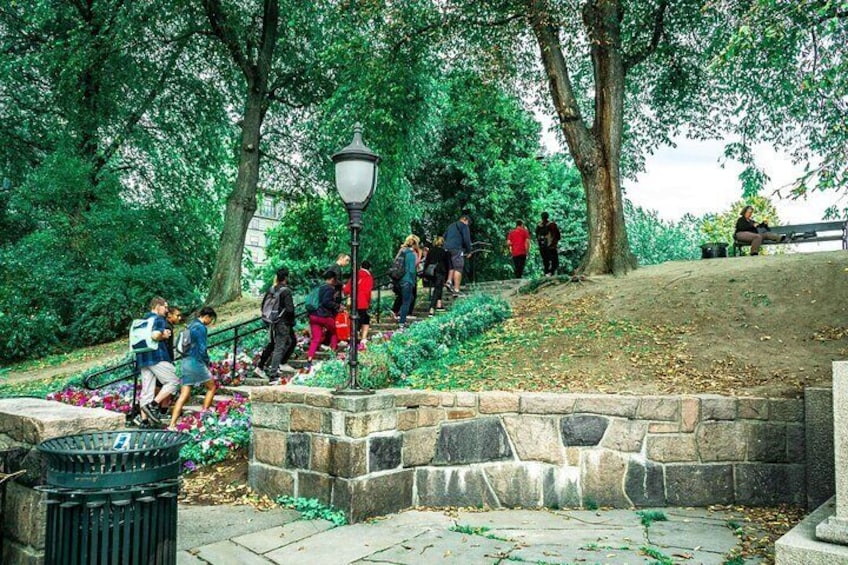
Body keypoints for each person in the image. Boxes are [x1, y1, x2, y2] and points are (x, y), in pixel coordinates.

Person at [168, 307, 217, 430]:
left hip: (185, 361)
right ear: (207, 316)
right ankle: (204, 415)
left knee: (184, 395)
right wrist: (207, 362)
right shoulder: (201, 328)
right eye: (211, 319)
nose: (210, 322)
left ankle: (172, 424)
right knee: (212, 387)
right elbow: (202, 348)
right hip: (196, 361)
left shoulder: (190, 325)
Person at [135, 297, 181, 427]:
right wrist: (164, 335)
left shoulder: (143, 320)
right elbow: (155, 335)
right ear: (157, 306)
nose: (166, 310)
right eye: (165, 307)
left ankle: (144, 422)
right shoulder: (158, 319)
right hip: (157, 356)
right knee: (173, 381)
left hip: (143, 358)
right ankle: (153, 405)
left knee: (147, 390)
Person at [254, 270, 297, 379]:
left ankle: (269, 366)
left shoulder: (271, 289)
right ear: (285, 278)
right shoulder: (286, 291)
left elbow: (263, 305)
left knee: (285, 342)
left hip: (273, 321)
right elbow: (290, 309)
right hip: (283, 322)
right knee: (280, 346)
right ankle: (273, 373)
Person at [306, 272, 340, 364]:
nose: (336, 282)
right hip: (324, 316)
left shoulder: (318, 288)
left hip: (313, 316)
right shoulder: (330, 289)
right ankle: (333, 354)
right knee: (333, 332)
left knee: (316, 338)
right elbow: (326, 302)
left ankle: (309, 359)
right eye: (336, 280)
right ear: (332, 279)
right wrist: (337, 306)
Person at [342, 259, 374, 343]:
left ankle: (353, 336)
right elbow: (368, 292)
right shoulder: (369, 277)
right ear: (369, 268)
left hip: (354, 301)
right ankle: (363, 338)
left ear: (360, 266)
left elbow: (346, 289)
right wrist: (368, 302)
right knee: (365, 318)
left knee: (354, 318)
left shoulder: (355, 276)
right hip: (363, 302)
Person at [443, 214, 472, 294]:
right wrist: (469, 251)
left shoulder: (451, 226)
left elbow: (444, 237)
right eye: (468, 222)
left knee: (451, 266)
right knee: (458, 267)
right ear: (465, 219)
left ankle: (449, 281)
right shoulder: (464, 226)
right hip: (457, 249)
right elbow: (467, 239)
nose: (468, 224)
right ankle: (456, 289)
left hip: (446, 249)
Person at [424, 236, 451, 316]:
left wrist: (425, 275)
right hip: (440, 271)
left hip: (431, 272)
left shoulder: (431, 251)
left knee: (437, 288)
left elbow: (427, 262)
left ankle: (439, 305)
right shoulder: (444, 252)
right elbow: (448, 264)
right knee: (438, 289)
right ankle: (432, 308)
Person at [397, 235, 419, 329]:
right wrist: (414, 280)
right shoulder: (411, 254)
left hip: (400, 279)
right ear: (415, 244)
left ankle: (401, 314)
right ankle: (402, 322)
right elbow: (411, 270)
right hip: (407, 280)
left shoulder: (401, 251)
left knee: (409, 298)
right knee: (407, 301)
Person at [536, 212, 561, 276]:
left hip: (542, 247)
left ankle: (546, 273)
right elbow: (558, 236)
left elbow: (537, 236)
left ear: (541, 217)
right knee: (554, 262)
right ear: (548, 217)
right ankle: (551, 273)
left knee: (545, 261)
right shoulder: (552, 225)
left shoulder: (538, 226)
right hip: (551, 247)